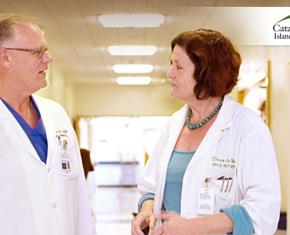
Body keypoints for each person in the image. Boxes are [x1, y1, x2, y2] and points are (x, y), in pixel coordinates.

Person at [131, 29, 281, 235]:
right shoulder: (174, 124)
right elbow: (150, 187)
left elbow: (263, 210)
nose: (169, 73)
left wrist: (189, 227)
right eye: (171, 64)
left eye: (179, 66)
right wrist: (147, 211)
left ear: (205, 74)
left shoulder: (248, 127)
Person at [0, 13, 95, 235]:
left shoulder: (56, 115)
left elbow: (79, 197)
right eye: (38, 52)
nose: (48, 58)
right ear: (5, 58)